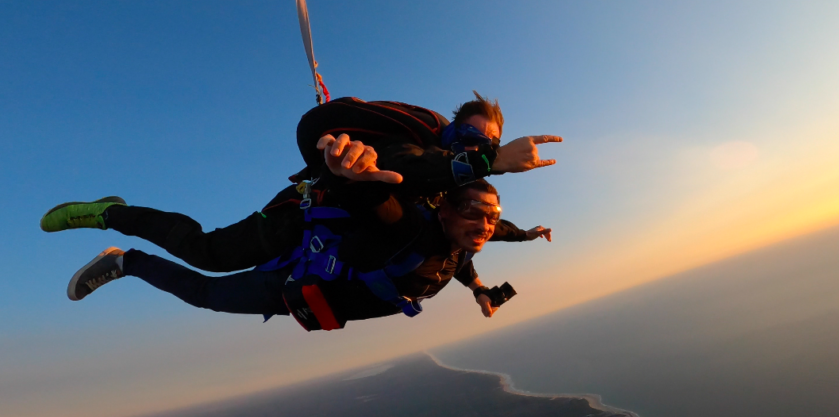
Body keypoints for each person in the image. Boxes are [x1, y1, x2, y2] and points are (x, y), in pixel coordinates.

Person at [41, 93, 558, 311]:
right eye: (468, 134)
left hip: (328, 270)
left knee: (209, 295)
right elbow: (400, 169)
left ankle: (128, 264)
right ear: (451, 128)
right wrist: (488, 161)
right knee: (208, 254)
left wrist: (521, 240)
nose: (473, 146)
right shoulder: (425, 147)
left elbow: (471, 230)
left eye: (483, 143)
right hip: (309, 214)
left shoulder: (452, 194)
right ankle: (113, 214)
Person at [67, 178, 508, 329]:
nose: (485, 225)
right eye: (476, 213)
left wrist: (479, 290)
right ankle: (126, 260)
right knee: (205, 290)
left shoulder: (457, 246)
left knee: (206, 283)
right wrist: (356, 174)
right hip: (289, 288)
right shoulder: (410, 228)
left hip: (315, 304)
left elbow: (463, 260)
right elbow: (380, 204)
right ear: (445, 208)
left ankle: (127, 244)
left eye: (492, 218)